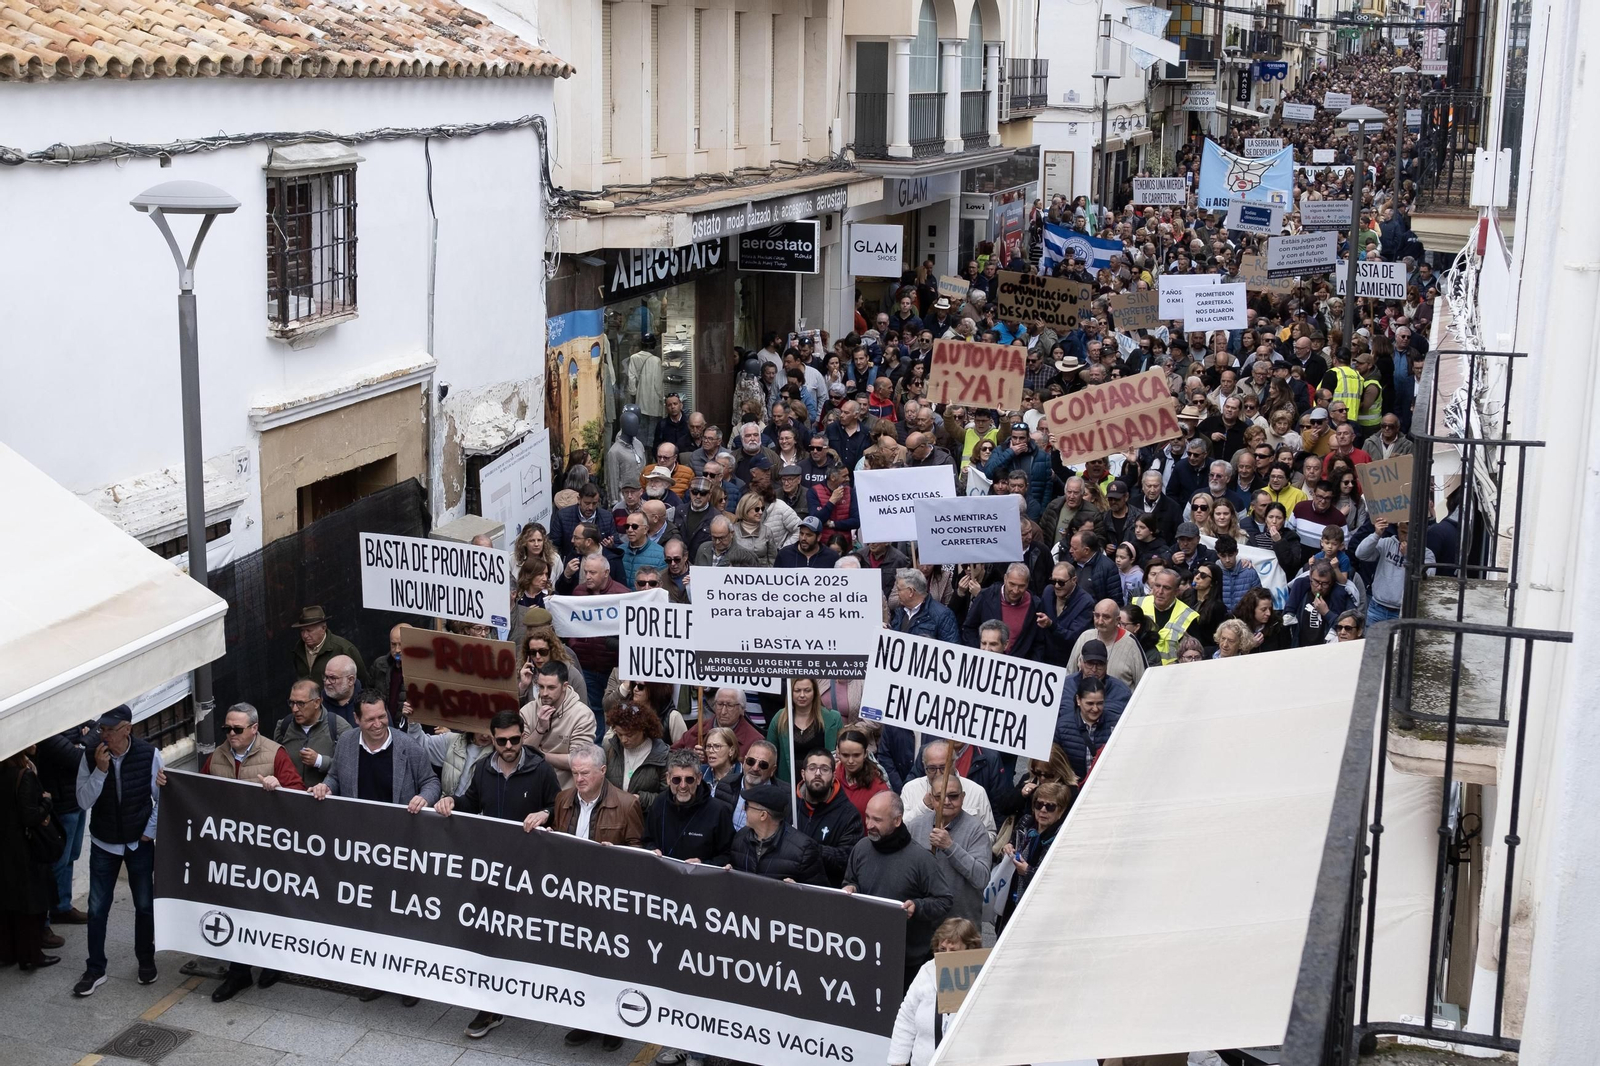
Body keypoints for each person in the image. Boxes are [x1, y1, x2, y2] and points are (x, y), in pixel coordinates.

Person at [550, 745, 642, 1050]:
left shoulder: (627, 804)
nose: (578, 778)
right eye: (575, 773)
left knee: (609, 964)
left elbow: (640, 851)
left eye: (585, 773)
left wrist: (617, 857)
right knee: (579, 961)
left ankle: (613, 1025)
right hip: (572, 895)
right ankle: (584, 1020)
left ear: (602, 771)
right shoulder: (563, 800)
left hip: (610, 898)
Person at [73, 705, 162, 997]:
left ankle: (145, 961)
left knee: (145, 906)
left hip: (138, 843)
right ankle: (95, 968)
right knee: (97, 909)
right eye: (103, 729)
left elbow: (161, 798)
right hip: (103, 844)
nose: (105, 735)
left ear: (127, 729)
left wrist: (149, 832)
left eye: (111, 730)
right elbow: (83, 801)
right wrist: (100, 772)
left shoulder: (149, 754)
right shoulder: (91, 756)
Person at [843, 792, 953, 989]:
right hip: (865, 953)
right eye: (867, 817)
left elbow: (944, 900)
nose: (869, 825)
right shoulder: (861, 848)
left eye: (877, 819)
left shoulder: (921, 859)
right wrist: (850, 888)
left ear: (897, 821)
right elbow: (850, 880)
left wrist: (917, 907)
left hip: (906, 961)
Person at [889, 918, 984, 1066]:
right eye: (942, 950)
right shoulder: (927, 971)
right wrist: (898, 1062)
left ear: (969, 949)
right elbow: (906, 1017)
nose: (946, 955)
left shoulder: (982, 978)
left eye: (953, 951)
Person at [0, 746, 60, 972]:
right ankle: (30, 955)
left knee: (8, 903)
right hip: (24, 850)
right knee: (30, 904)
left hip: (5, 848)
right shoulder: (23, 775)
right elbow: (30, 815)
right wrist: (46, 801)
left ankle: (8, 951)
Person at [903, 774, 990, 928]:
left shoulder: (976, 830)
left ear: (963, 797)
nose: (947, 802)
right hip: (923, 923)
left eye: (953, 796)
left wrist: (950, 847)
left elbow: (981, 878)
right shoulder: (916, 826)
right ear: (931, 798)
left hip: (960, 926)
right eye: (939, 797)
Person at [997, 780, 1069, 931]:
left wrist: (1028, 872)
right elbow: (1010, 845)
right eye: (1039, 804)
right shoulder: (1026, 822)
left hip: (1039, 908)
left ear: (1061, 811)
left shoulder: (1063, 837)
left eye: (1050, 806)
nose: (1043, 810)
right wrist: (1008, 848)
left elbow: (1058, 879)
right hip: (1012, 896)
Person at [642, 749, 735, 864]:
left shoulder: (718, 811)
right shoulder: (659, 803)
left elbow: (728, 855)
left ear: (699, 778)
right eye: (676, 780)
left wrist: (703, 864)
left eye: (689, 779)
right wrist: (652, 850)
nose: (683, 786)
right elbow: (647, 840)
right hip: (663, 875)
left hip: (700, 879)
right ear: (668, 778)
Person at [728, 781, 827, 885]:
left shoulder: (803, 850)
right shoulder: (740, 837)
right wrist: (728, 873)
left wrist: (799, 892)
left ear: (763, 815)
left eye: (747, 805)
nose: (744, 808)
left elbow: (820, 896)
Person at [521, 661, 598, 789]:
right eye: (541, 686)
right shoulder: (527, 711)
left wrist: (540, 755)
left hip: (565, 791)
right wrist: (539, 729)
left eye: (551, 687)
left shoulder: (582, 715)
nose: (544, 693)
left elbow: (578, 760)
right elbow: (521, 755)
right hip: (531, 788)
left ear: (565, 686)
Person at [793, 750, 864, 887]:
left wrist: (812, 850)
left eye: (824, 769)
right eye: (812, 768)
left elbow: (847, 859)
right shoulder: (789, 804)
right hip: (788, 886)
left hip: (824, 892)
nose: (818, 773)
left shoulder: (849, 815)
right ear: (803, 774)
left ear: (833, 776)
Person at [1356, 515, 1435, 625]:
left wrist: (1409, 557)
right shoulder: (1387, 543)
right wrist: (1376, 535)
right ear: (1397, 529)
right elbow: (1361, 554)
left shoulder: (1427, 554)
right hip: (1377, 607)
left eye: (1410, 534)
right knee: (1372, 641)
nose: (1406, 537)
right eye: (1403, 532)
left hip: (1403, 611)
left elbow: (1428, 577)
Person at [767, 677, 843, 783]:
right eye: (797, 690)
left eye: (807, 690)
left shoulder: (833, 718)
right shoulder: (779, 718)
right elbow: (770, 753)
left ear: (815, 692)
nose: (802, 695)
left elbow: (841, 753)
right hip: (787, 785)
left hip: (821, 783)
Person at [1066, 598, 1147, 690]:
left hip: (1120, 702)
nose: (1100, 621)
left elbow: (1144, 683)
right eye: (1096, 616)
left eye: (1106, 617)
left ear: (1118, 620)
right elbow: (1070, 674)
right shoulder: (1084, 637)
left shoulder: (1130, 643)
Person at [602, 702, 670, 810]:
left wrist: (641, 799)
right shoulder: (609, 748)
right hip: (613, 818)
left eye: (630, 735)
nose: (624, 740)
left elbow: (669, 798)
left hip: (645, 820)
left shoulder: (663, 755)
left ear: (643, 729)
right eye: (619, 734)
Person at [1128, 567, 1200, 665]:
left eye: (1166, 588)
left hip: (1171, 672)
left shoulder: (1189, 616)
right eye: (1157, 586)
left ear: (1176, 592)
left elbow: (1194, 653)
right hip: (1138, 667)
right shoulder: (1137, 604)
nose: (1160, 591)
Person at [1054, 676, 1118, 781]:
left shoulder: (1116, 724)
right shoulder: (1062, 727)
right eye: (1090, 703)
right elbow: (1055, 764)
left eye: (1100, 703)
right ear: (1078, 700)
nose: (1095, 709)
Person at [289, 605, 368, 688]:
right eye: (302, 631)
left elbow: (362, 680)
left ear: (323, 628)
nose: (305, 635)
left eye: (309, 630)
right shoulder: (298, 649)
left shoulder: (344, 649)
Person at [889, 568, 962, 642]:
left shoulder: (942, 615)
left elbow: (951, 647)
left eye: (899, 590)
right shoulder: (900, 611)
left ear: (911, 591)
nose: (897, 593)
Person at [835, 727, 890, 820]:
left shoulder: (878, 787)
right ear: (838, 753)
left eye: (856, 755)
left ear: (865, 754)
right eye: (845, 755)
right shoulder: (830, 778)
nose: (851, 761)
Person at [1234, 587, 1291, 653]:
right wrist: (1249, 645)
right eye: (1263, 610)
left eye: (1270, 608)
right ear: (1251, 609)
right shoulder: (1236, 626)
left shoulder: (1278, 625)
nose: (1268, 613)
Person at [698, 726, 744, 803]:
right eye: (708, 746)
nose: (711, 751)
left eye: (717, 746)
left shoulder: (743, 776)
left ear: (731, 750)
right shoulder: (699, 773)